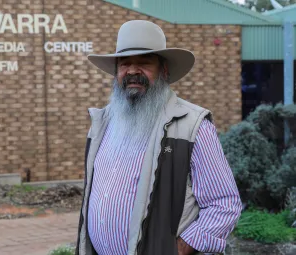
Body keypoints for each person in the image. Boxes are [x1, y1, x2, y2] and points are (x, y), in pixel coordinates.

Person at [75, 20, 242, 255]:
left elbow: (224, 204)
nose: (132, 71)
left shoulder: (192, 125)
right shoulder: (103, 123)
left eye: (144, 63)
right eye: (125, 64)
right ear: (116, 72)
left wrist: (178, 249)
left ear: (163, 70)